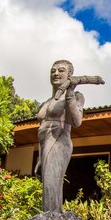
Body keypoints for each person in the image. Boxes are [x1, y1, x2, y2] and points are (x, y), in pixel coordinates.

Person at [35, 60, 84, 212]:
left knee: (52, 183)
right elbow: (41, 129)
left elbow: (76, 121)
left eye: (61, 70)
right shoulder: (46, 102)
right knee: (47, 186)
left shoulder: (76, 96)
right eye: (53, 70)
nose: (56, 73)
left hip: (59, 139)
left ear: (70, 74)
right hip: (45, 143)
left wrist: (69, 93)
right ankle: (51, 219)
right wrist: (40, 158)